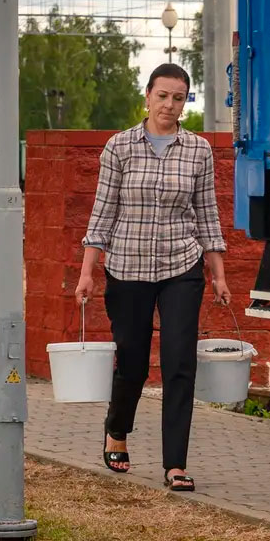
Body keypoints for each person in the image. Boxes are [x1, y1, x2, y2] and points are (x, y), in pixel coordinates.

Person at [76, 64, 230, 492]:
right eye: (163, 96)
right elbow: (102, 214)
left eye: (178, 98)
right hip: (127, 267)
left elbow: (208, 217)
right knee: (134, 362)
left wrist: (218, 276)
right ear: (147, 97)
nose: (170, 105)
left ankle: (175, 464)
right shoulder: (119, 147)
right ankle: (117, 430)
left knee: (179, 362)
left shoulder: (197, 150)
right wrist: (88, 271)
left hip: (182, 266)